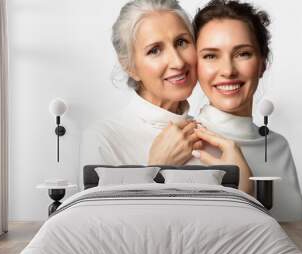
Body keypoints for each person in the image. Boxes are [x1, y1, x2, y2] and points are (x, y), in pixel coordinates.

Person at [80, 0, 253, 194]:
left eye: (181, 42)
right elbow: (102, 223)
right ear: (129, 66)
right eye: (155, 50)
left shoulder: (215, 138)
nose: (178, 62)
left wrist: (242, 187)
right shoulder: (103, 139)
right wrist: (155, 168)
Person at [189, 0, 302, 221]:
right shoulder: (185, 144)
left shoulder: (278, 146)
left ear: (262, 63)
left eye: (242, 53)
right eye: (210, 56)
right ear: (195, 66)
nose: (228, 71)